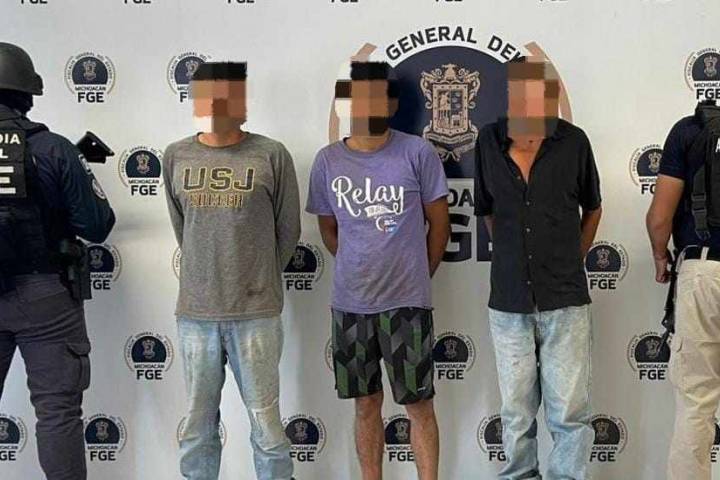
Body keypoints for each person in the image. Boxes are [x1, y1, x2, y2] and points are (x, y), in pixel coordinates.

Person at [306, 61, 450, 480]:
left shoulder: (417, 153)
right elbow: (329, 230)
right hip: (351, 305)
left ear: (391, 104)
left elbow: (439, 226)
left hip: (407, 304)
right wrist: (359, 264)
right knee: (366, 403)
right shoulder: (328, 160)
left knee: (419, 404)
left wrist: (415, 275)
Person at [163, 61, 300, 480]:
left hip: (256, 314)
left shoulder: (271, 154)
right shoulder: (176, 156)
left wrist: (255, 277)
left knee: (267, 427)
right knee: (197, 429)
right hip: (196, 314)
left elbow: (288, 230)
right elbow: (183, 229)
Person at [474, 56, 602, 479]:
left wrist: (570, 259)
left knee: (570, 414)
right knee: (516, 412)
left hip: (565, 301)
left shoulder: (574, 142)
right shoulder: (488, 142)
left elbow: (593, 208)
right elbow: (487, 211)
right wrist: (512, 254)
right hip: (508, 301)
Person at [0, 42, 116, 480]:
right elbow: (97, 225)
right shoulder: (52, 148)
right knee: (57, 413)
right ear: (26, 93)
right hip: (45, 296)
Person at [646, 100, 720, 480]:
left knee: (696, 403)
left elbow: (660, 218)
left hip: (704, 270)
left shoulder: (690, 130)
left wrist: (661, 257)